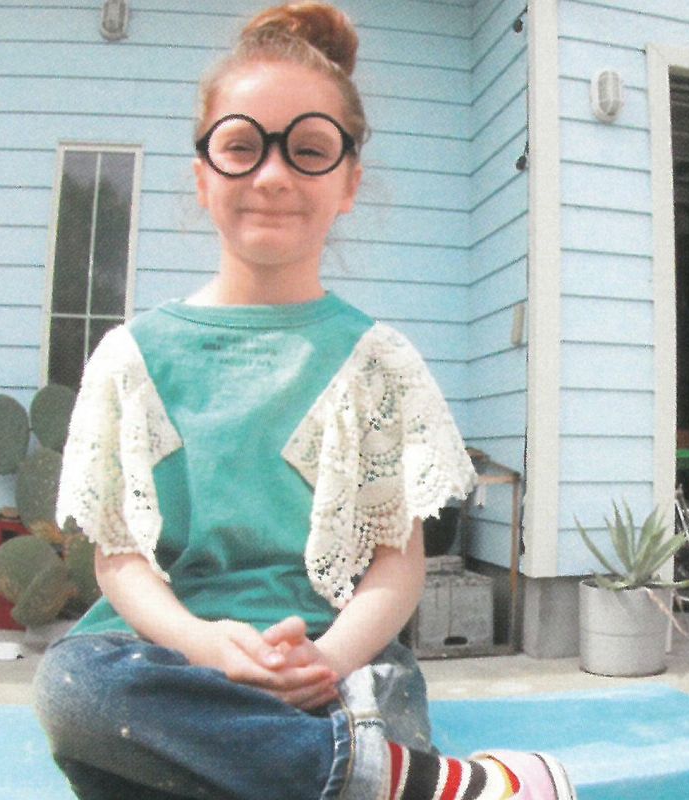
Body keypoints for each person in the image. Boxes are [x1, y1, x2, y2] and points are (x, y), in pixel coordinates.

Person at [34, 3, 576, 799]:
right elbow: (118, 557)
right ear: (202, 173)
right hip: (171, 671)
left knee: (372, 705)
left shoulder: (379, 363)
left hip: (338, 668)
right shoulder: (130, 358)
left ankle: (349, 764)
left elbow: (397, 563)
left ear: (350, 182)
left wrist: (327, 659)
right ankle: (389, 780)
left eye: (310, 150)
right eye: (241, 146)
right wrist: (208, 648)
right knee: (72, 687)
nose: (273, 175)